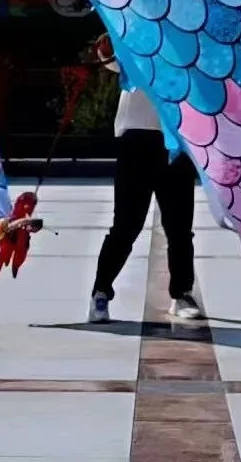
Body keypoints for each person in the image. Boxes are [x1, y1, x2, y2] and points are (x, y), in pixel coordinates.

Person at [88, 33, 202, 323]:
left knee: (179, 228)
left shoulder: (188, 44)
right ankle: (100, 293)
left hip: (176, 142)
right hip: (136, 140)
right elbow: (113, 61)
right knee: (126, 225)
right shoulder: (135, 37)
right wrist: (107, 48)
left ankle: (181, 293)